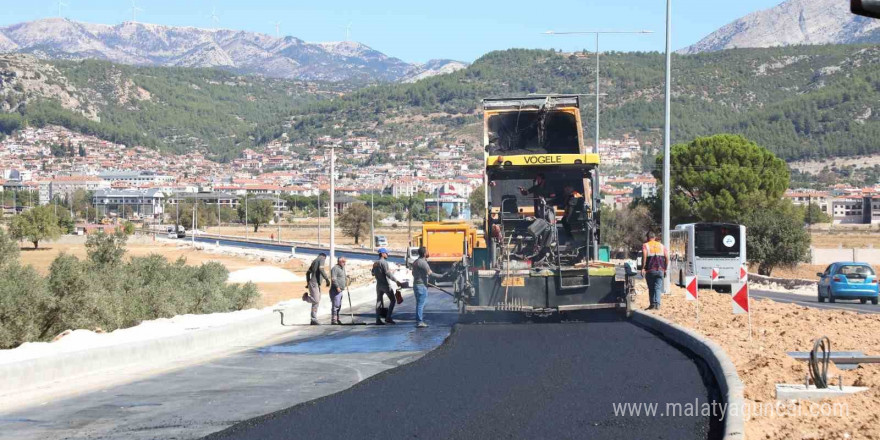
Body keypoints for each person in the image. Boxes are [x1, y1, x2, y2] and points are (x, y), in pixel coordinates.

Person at [373, 247, 402, 325]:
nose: (387, 254)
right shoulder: (384, 262)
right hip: (385, 285)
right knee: (393, 300)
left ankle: (377, 320)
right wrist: (396, 281)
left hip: (378, 285)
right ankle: (388, 317)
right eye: (386, 253)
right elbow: (388, 274)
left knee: (378, 302)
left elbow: (373, 273)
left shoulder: (375, 263)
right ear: (382, 254)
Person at [641, 231, 669, 310]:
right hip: (660, 269)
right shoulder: (661, 245)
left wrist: (643, 268)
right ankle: (658, 304)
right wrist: (665, 269)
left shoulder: (645, 245)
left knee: (651, 287)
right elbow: (667, 258)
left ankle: (652, 304)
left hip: (650, 270)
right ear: (654, 237)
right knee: (658, 287)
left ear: (647, 237)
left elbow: (644, 257)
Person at [411, 246, 437, 329]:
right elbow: (431, 274)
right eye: (427, 251)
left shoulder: (415, 261)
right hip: (421, 286)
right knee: (421, 304)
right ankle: (420, 321)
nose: (428, 253)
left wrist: (421, 277)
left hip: (416, 284)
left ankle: (418, 320)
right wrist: (443, 276)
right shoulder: (423, 263)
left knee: (419, 303)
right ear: (425, 253)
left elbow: (413, 273)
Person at [305, 253, 330, 325]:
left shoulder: (314, 261)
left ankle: (313, 319)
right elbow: (321, 269)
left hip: (315, 284)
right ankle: (305, 297)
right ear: (324, 257)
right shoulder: (321, 259)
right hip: (314, 283)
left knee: (316, 302)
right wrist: (327, 279)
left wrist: (307, 283)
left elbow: (307, 273)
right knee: (316, 300)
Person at [329, 257, 347, 325]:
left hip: (341, 290)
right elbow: (333, 279)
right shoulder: (335, 268)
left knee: (339, 305)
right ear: (339, 262)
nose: (344, 263)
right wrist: (337, 287)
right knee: (336, 305)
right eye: (343, 262)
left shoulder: (342, 268)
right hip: (335, 290)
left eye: (345, 262)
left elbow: (343, 276)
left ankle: (337, 319)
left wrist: (346, 280)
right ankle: (334, 320)